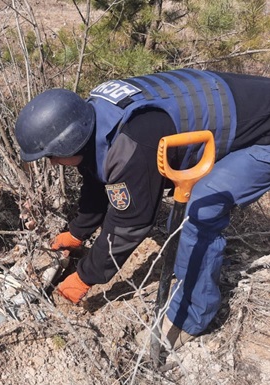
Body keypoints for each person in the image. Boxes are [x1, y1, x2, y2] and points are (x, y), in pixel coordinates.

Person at [14, 69, 270, 349]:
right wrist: (77, 232)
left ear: (71, 140)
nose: (51, 163)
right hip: (242, 102)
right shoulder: (93, 117)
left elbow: (130, 222)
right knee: (185, 214)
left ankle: (190, 317)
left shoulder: (134, 141)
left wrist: (86, 276)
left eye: (52, 155)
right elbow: (97, 177)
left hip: (263, 132)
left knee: (199, 208)